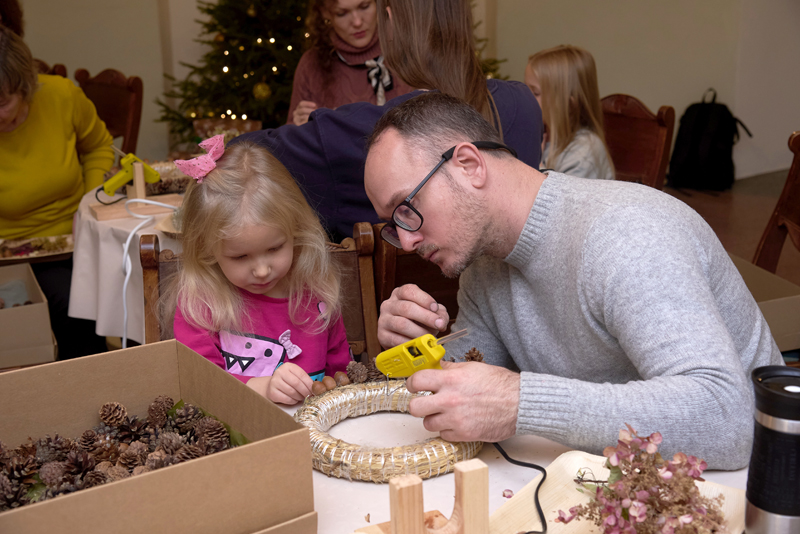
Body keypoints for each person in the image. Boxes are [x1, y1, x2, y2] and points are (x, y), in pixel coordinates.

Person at [363, 92, 783, 470]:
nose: (405, 240)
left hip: (750, 483)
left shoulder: (625, 234)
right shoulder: (483, 263)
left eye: (406, 207)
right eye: (392, 224)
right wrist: (415, 350)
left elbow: (725, 419)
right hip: (622, 477)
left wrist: (523, 403)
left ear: (469, 165)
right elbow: (479, 383)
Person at [232, 0, 542, 243]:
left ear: (390, 22)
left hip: (396, 316)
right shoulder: (523, 104)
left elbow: (237, 154)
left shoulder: (357, 134)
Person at [171, 137, 352, 405]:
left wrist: (336, 386)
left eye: (275, 248)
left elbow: (342, 376)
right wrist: (263, 388)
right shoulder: (201, 305)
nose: (262, 270)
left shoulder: (317, 294)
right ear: (208, 251)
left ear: (295, 232)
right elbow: (199, 384)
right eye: (241, 256)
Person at [0, 25, 112, 358]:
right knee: (61, 302)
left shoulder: (62, 95)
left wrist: (88, 203)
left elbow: (98, 147)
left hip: (73, 238)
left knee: (83, 301)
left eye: (3, 102)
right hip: (7, 253)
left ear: (26, 86)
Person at [287, 0, 413, 125]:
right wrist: (299, 130)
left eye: (364, 7)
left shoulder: (411, 50)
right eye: (342, 13)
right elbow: (288, 140)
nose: (357, 22)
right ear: (325, 13)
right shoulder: (311, 64)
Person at [525, 45, 614, 181]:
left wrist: (534, 160)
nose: (526, 98)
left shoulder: (584, 154)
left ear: (569, 104)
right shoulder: (544, 136)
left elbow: (560, 200)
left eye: (535, 93)